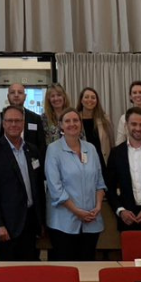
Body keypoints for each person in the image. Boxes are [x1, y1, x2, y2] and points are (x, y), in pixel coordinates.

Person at [0, 106, 46, 261]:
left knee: (29, 269)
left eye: (17, 121)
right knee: (7, 271)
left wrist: (41, 221)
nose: (14, 124)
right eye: (9, 121)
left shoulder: (32, 150)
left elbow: (38, 188)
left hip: (30, 223)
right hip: (6, 225)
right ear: (3, 123)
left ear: (23, 123)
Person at [44, 109, 106, 261]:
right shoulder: (53, 150)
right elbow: (55, 188)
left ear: (81, 124)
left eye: (76, 120)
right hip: (63, 222)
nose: (72, 124)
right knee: (66, 268)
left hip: (91, 221)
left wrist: (98, 206)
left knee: (87, 266)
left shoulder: (90, 148)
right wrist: (77, 212)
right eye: (67, 121)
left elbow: (99, 182)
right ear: (61, 125)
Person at [77, 86, 115, 167]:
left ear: (97, 101)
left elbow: (112, 142)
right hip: (82, 163)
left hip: (103, 162)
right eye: (86, 97)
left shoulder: (105, 119)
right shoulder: (75, 119)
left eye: (93, 98)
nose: (90, 100)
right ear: (81, 100)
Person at [5, 83, 45, 152]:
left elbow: (41, 145)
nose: (16, 95)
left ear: (25, 96)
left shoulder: (35, 119)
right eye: (12, 92)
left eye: (20, 92)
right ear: (8, 96)